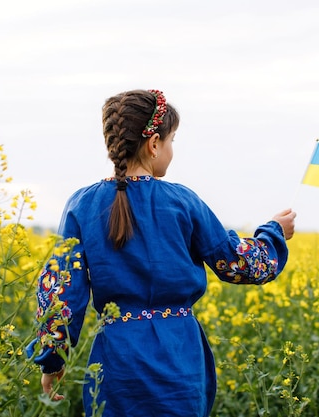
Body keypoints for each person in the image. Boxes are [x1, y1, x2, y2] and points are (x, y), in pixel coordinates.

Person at [27, 89, 296, 416]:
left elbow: (60, 289)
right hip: (177, 357)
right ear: (154, 144)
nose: (171, 149)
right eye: (172, 140)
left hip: (116, 360)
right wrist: (274, 234)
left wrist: (52, 358)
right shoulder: (182, 201)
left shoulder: (82, 205)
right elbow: (240, 264)